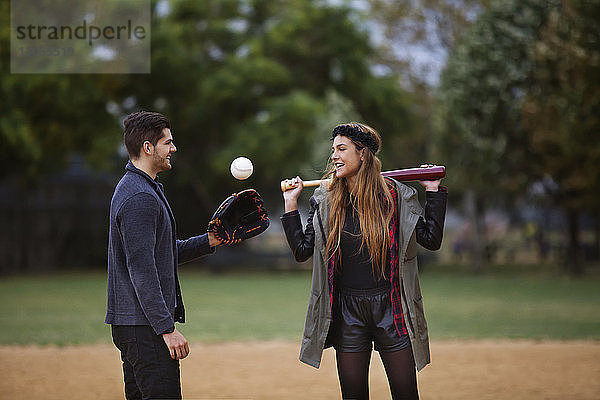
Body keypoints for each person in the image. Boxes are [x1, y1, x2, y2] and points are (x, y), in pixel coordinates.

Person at [280, 123, 447, 399]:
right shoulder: (325, 199)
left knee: (406, 394)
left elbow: (431, 238)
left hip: (392, 307)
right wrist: (290, 204)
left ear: (363, 154)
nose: (334, 155)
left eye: (342, 149)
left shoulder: (396, 196)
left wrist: (432, 190)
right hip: (347, 312)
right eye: (333, 149)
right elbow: (301, 250)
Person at [105, 111, 221, 400]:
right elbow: (142, 270)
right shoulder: (140, 198)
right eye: (167, 142)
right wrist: (166, 329)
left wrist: (210, 240)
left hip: (136, 325)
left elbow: (162, 255)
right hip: (145, 329)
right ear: (148, 148)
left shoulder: (141, 188)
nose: (173, 148)